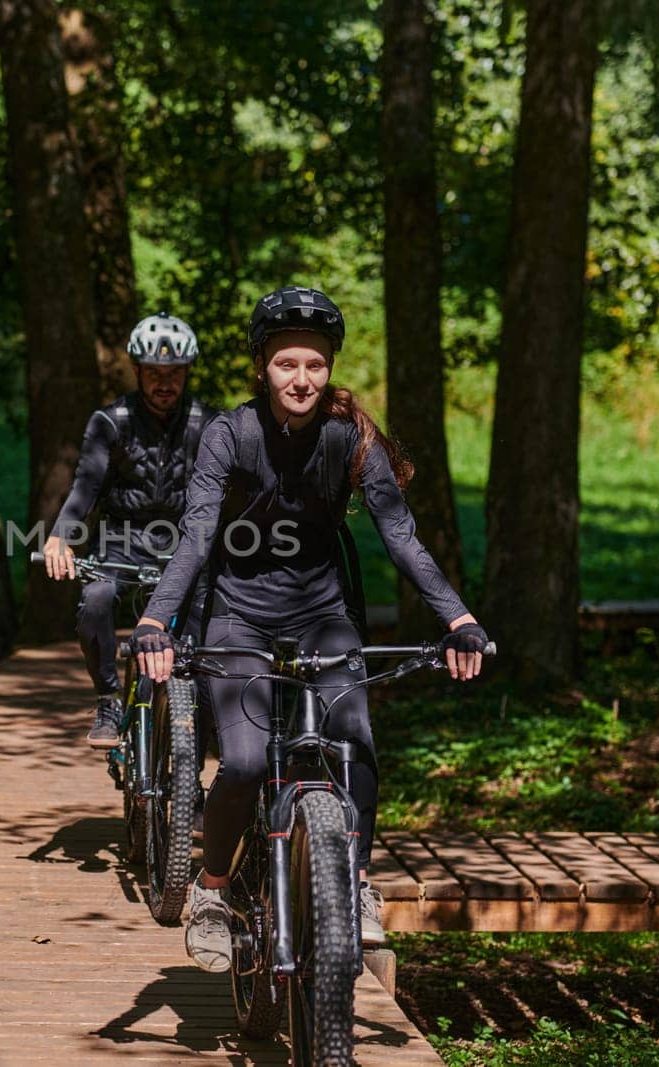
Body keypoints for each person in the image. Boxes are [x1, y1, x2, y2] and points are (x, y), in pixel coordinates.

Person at [131, 285, 489, 972]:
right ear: (262, 366)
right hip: (237, 613)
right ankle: (210, 891)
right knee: (239, 760)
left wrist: (459, 617)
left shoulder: (349, 436)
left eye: (316, 366)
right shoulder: (228, 434)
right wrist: (155, 617)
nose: (302, 379)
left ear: (330, 370)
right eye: (287, 363)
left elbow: (401, 535)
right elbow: (198, 532)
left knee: (354, 742)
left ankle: (353, 884)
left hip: (323, 614)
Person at [43, 312, 218, 748]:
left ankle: (192, 734)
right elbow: (86, 484)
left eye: (174, 374)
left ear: (186, 373)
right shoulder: (110, 421)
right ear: (137, 371)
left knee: (209, 625)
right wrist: (61, 535)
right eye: (155, 373)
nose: (164, 383)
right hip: (122, 539)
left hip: (185, 544)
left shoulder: (207, 423)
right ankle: (107, 697)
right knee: (96, 600)